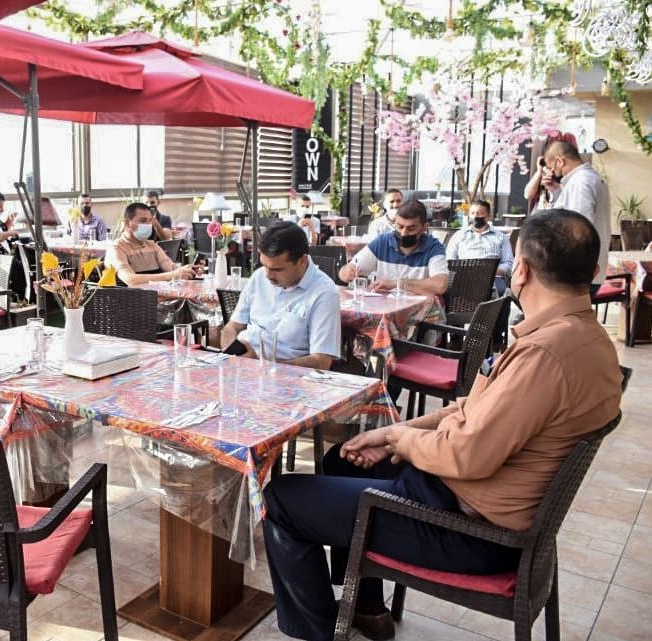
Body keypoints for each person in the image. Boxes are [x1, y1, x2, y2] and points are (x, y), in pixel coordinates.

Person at [263, 209, 622, 641]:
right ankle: (368, 608)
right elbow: (472, 410)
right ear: (593, 271)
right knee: (343, 459)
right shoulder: (589, 340)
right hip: (467, 497)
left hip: (468, 529)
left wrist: (400, 438)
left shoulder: (545, 355)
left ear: (522, 270)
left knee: (282, 499)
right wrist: (394, 436)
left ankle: (318, 632)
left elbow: (465, 455)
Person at [220, 221, 341, 370]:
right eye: (264, 265)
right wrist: (230, 354)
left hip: (284, 377)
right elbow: (232, 327)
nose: (268, 275)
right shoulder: (259, 277)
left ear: (302, 261)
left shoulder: (324, 293)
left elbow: (321, 362)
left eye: (277, 269)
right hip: (239, 368)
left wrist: (263, 365)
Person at [338, 200, 449, 296]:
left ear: (424, 228)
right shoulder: (382, 243)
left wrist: (396, 284)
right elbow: (343, 273)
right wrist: (347, 272)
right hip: (384, 307)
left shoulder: (433, 247)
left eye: (411, 228)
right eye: (400, 227)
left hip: (420, 310)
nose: (404, 233)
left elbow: (440, 285)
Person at [544, 140, 611, 295]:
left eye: (552, 167)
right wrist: (556, 193)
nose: (552, 172)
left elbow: (578, 228)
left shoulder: (581, 182)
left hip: (576, 272)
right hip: (587, 269)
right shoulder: (589, 178)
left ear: (560, 161)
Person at [107, 203, 198, 286]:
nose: (148, 225)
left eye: (150, 220)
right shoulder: (117, 248)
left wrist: (188, 270)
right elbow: (130, 279)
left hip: (160, 295)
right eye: (143, 221)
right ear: (127, 223)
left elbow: (171, 267)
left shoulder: (152, 245)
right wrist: (173, 275)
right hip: (132, 297)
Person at [445, 199, 514, 294]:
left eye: (480, 213)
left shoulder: (501, 237)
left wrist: (491, 271)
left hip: (493, 277)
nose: (476, 216)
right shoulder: (459, 236)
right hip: (465, 277)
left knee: (502, 292)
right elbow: (449, 260)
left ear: (488, 216)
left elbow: (509, 263)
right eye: (473, 213)